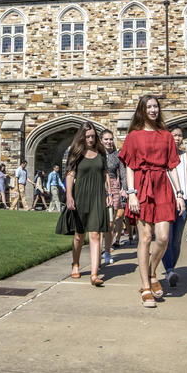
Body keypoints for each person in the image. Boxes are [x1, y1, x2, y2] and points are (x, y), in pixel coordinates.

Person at [118, 94, 185, 308]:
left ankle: (153, 271)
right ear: (142, 110)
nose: (154, 110)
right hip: (141, 186)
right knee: (145, 237)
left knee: (163, 238)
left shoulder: (166, 136)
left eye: (156, 106)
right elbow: (130, 166)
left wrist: (180, 193)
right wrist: (131, 193)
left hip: (163, 187)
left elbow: (172, 166)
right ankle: (146, 287)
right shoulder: (133, 136)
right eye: (149, 107)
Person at [56, 122, 109, 286]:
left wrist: (109, 193)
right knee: (79, 235)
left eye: (93, 136)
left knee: (95, 234)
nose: (91, 139)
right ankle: (76, 263)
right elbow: (70, 175)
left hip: (97, 196)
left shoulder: (100, 152)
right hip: (80, 196)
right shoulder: (76, 153)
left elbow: (105, 173)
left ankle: (94, 274)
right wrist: (69, 196)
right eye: (87, 137)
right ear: (82, 137)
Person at [161, 125, 187, 288]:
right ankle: (169, 269)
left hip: (183, 201)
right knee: (167, 237)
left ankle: (171, 267)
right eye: (174, 135)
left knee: (176, 240)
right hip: (166, 200)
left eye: (180, 135)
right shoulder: (162, 156)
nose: (177, 138)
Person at [101, 129, 128, 264]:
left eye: (110, 139)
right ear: (101, 141)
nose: (109, 142)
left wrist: (124, 189)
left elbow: (123, 173)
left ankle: (107, 250)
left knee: (111, 222)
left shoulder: (117, 155)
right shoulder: (97, 154)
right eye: (106, 139)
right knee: (98, 221)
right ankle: (99, 249)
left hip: (114, 188)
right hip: (99, 187)